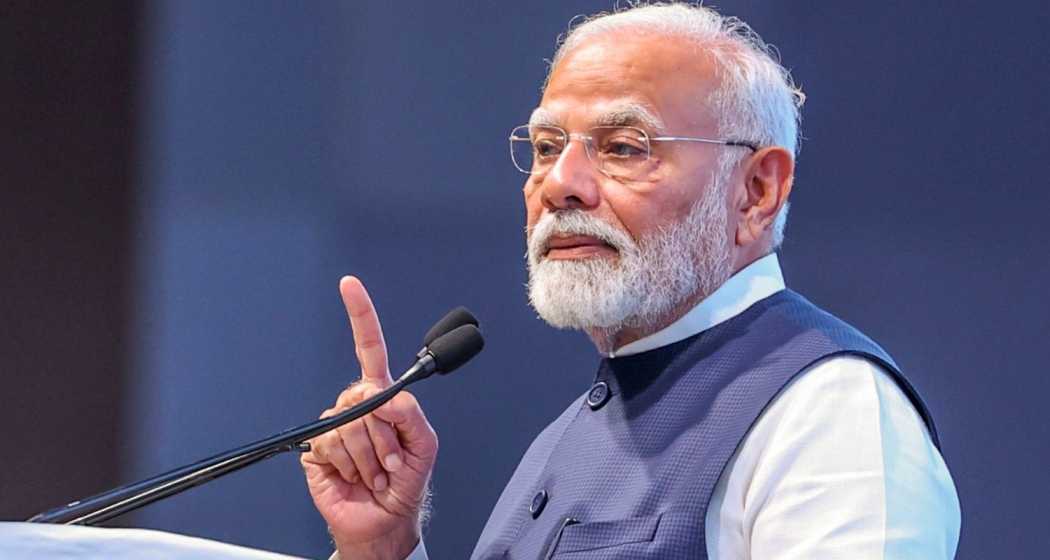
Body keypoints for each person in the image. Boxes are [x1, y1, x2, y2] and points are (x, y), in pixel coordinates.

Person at [300, 4, 961, 559]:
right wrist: (384, 548)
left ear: (757, 190)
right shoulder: (568, 435)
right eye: (546, 147)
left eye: (623, 147)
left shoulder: (829, 414)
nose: (560, 184)